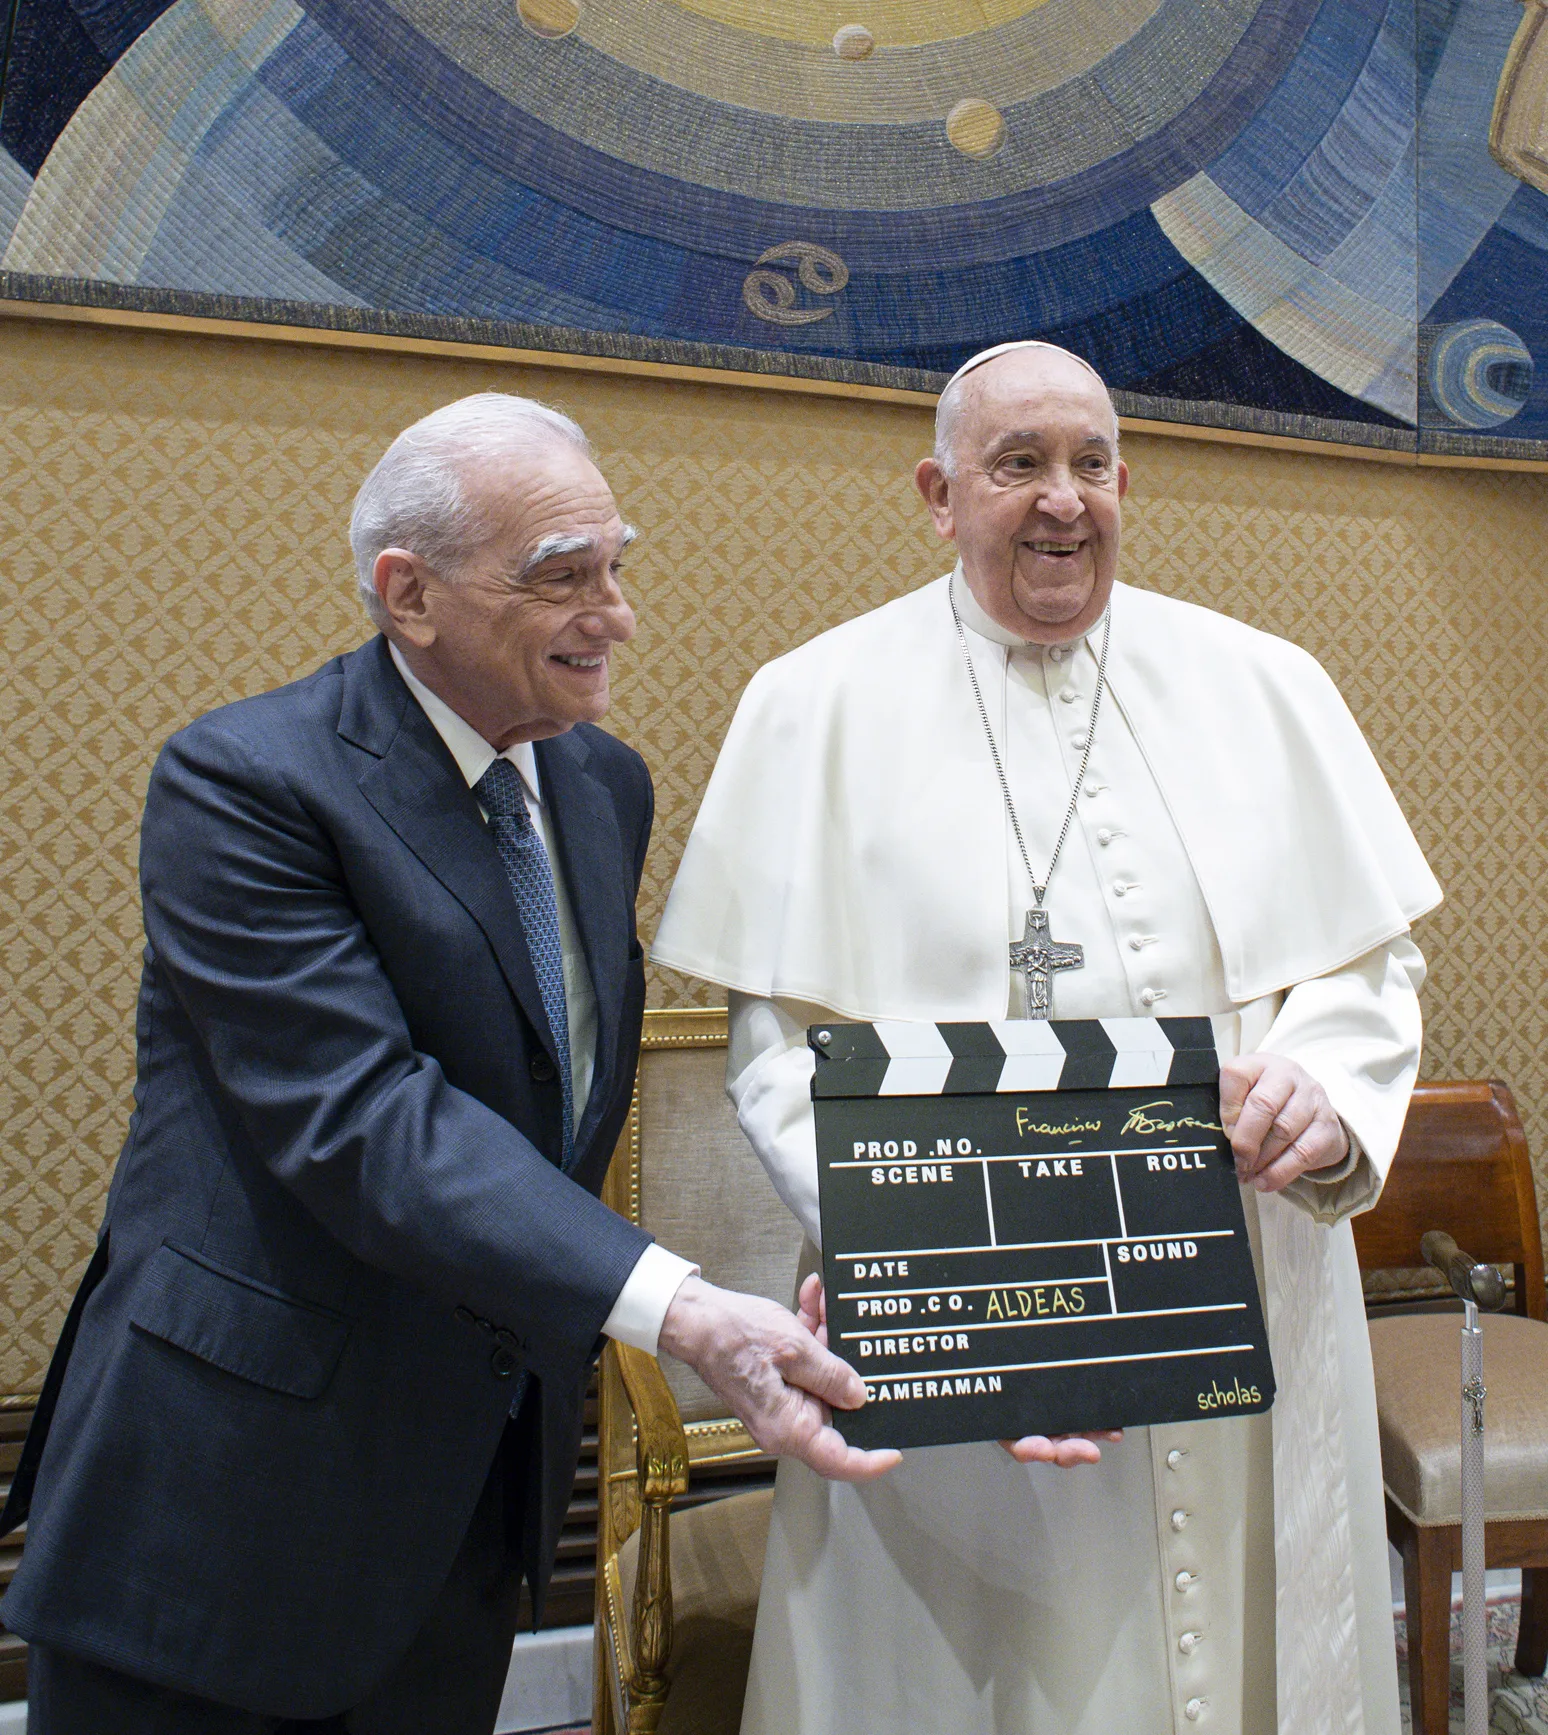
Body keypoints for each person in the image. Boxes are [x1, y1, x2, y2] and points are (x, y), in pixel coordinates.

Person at [0, 393, 895, 1735]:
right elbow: (367, 1120)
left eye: (616, 564)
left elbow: (546, 1089)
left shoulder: (601, 786)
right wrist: (683, 1304)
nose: (616, 614)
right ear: (408, 595)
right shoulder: (245, 782)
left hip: (467, 1506)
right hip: (229, 1504)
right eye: (562, 577)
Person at [653, 342, 1442, 1735]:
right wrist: (920, 1246)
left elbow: (1365, 969)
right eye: (1019, 463)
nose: (1062, 499)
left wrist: (1327, 1081)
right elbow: (781, 1046)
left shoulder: (1267, 686)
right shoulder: (814, 703)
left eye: (1090, 463)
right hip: (963, 1322)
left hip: (1240, 1289)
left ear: (1128, 481)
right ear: (939, 493)